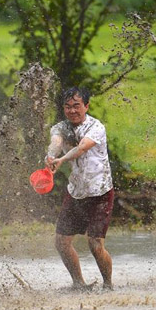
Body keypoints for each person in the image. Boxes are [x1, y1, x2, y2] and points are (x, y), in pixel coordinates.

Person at [45, 87, 114, 290]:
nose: (72, 110)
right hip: (76, 191)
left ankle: (108, 285)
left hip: (100, 192)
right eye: (68, 107)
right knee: (61, 242)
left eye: (77, 106)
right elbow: (56, 143)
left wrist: (61, 160)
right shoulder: (60, 128)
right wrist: (51, 156)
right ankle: (78, 284)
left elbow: (82, 147)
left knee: (95, 244)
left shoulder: (96, 127)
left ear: (86, 106)